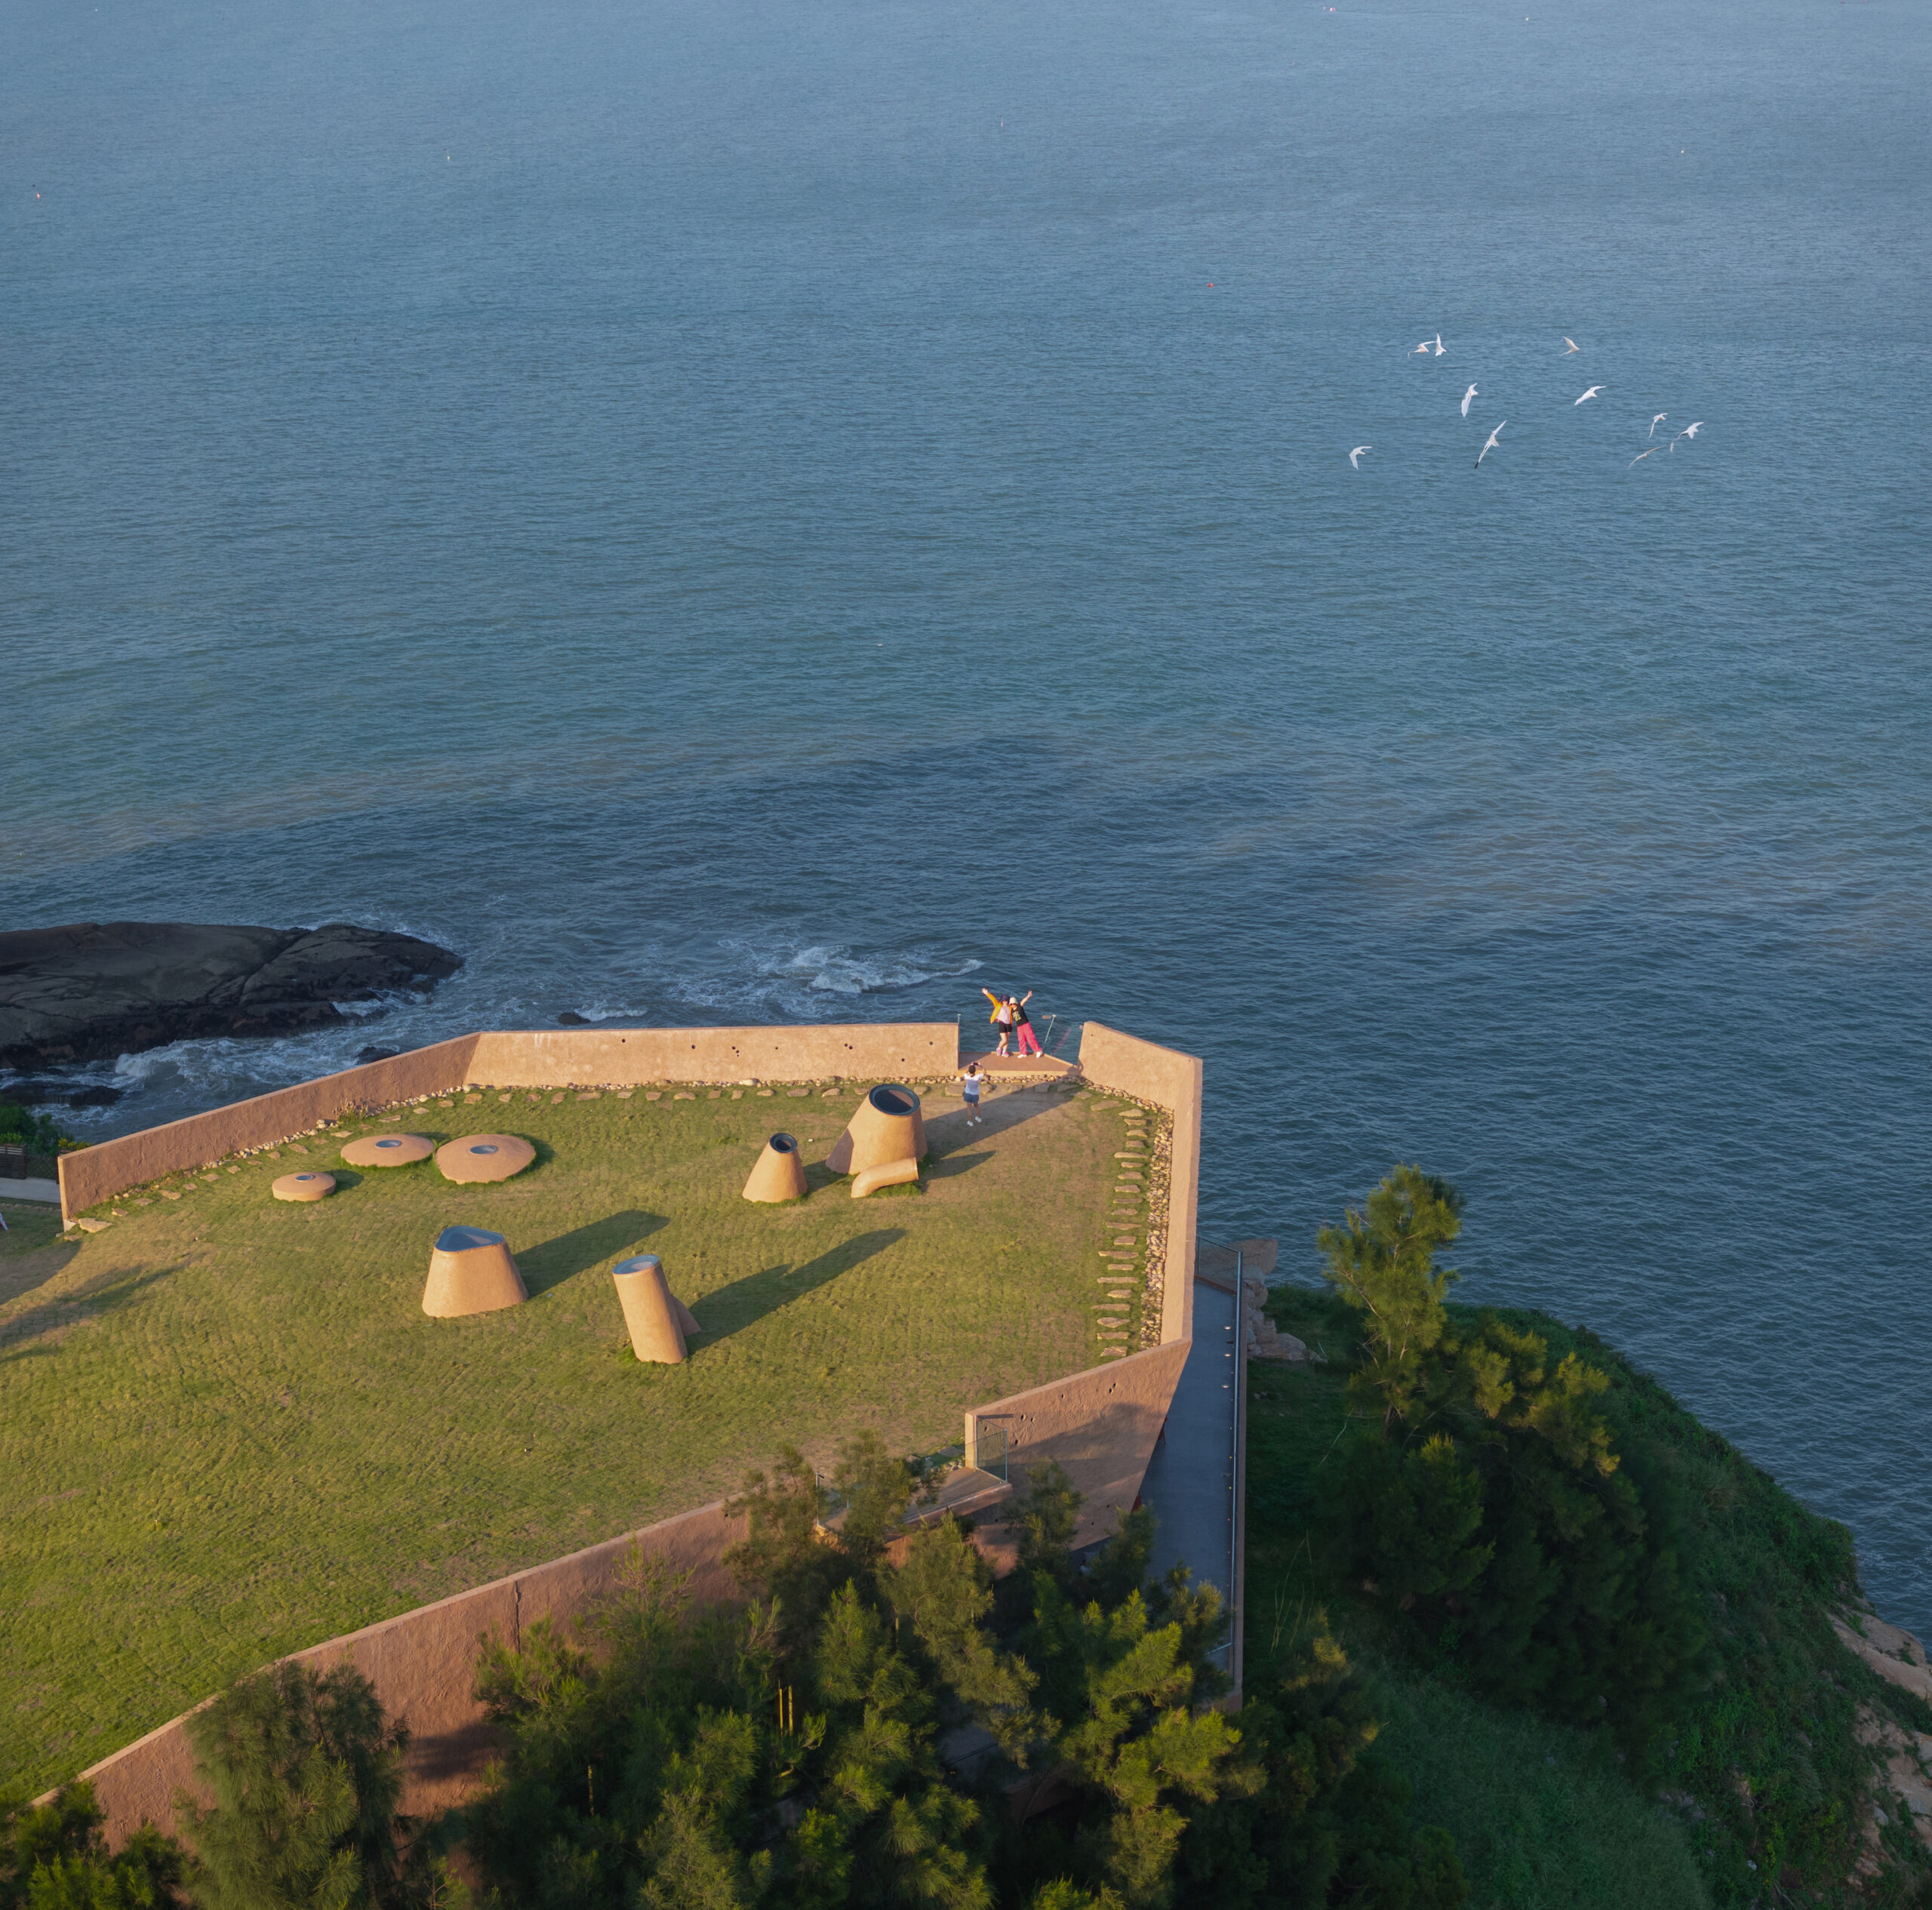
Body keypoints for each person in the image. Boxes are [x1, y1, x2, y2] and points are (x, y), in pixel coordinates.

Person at [982, 987, 1015, 1056]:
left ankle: (1004, 1051)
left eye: (1006, 1000)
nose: (1005, 1002)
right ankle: (999, 1048)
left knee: (1007, 1040)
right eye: (1003, 1000)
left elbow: (1016, 1008)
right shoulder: (999, 1005)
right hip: (1002, 1023)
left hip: (1009, 1024)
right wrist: (987, 993)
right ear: (1002, 1001)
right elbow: (993, 999)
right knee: (1004, 1040)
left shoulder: (1010, 1007)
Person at [1011, 991, 1042, 1056]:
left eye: (1014, 1003)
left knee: (1030, 1038)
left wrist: (1028, 996)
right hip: (1019, 1027)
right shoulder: (1011, 1010)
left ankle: (1038, 1050)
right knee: (1021, 1040)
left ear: (1016, 1003)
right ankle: (1023, 1053)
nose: (1013, 1005)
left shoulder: (1019, 1007)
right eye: (1011, 1004)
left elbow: (1023, 1001)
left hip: (1025, 1024)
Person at [960, 1060, 986, 1125]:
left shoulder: (967, 1077)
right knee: (976, 1106)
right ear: (975, 1071)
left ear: (969, 1071)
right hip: (975, 1094)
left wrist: (970, 1067)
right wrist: (980, 1066)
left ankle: (970, 1122)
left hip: (968, 1094)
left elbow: (965, 1072)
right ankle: (979, 1118)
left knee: (969, 1109)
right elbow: (985, 1072)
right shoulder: (978, 1077)